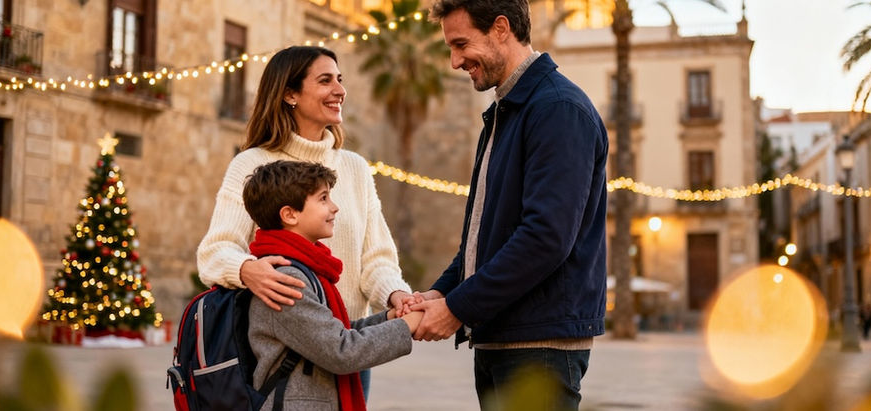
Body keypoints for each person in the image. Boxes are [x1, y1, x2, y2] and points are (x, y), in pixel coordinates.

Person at [405, 1, 609, 409]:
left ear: (501, 28)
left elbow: (544, 238)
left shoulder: (557, 109)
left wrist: (457, 309)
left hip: (539, 348)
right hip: (502, 338)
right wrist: (440, 292)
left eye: (461, 44)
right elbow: (485, 234)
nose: (455, 61)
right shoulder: (508, 111)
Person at [196, 46, 413, 397]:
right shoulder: (251, 164)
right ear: (290, 94)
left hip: (351, 344)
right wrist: (247, 270)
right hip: (282, 357)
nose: (340, 90)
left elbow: (376, 260)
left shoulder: (355, 168)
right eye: (325, 81)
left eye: (340, 79)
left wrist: (396, 295)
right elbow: (216, 250)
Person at [242, 160, 423, 411]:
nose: (335, 207)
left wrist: (390, 318)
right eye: (323, 198)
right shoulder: (285, 279)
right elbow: (341, 350)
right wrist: (408, 324)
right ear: (290, 214)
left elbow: (334, 331)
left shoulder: (305, 268)